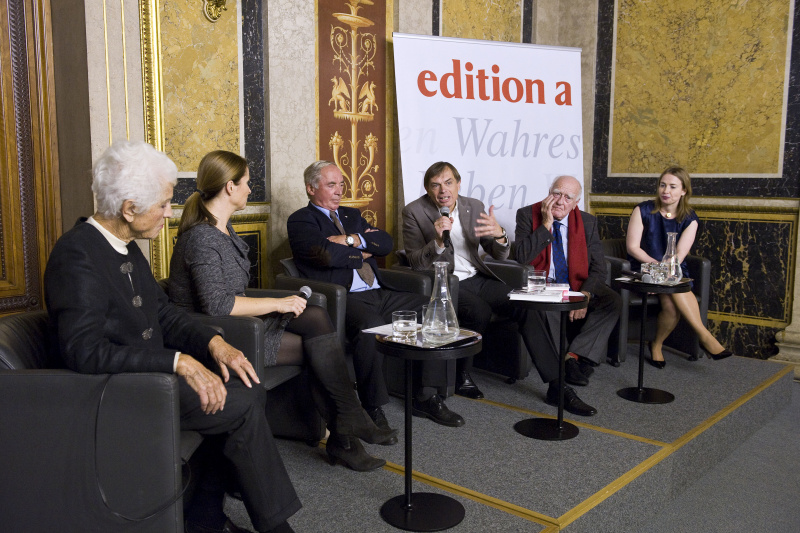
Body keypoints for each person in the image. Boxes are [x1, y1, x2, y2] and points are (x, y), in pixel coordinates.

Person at [44, 141, 296, 533]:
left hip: (148, 380)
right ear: (130, 209)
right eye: (163, 204)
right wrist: (178, 361)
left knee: (245, 383)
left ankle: (205, 518)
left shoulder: (125, 245)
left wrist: (214, 344)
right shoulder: (76, 254)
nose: (169, 212)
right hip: (117, 392)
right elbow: (84, 352)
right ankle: (271, 526)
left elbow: (163, 313)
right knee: (242, 403)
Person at [168, 150, 397, 472]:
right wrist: (279, 303)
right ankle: (347, 430)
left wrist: (284, 303)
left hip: (234, 321)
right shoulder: (202, 238)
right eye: (247, 183)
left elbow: (232, 295)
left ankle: (348, 424)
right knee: (316, 347)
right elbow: (218, 304)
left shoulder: (223, 229)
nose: (251, 189)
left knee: (315, 315)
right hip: (215, 334)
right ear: (230, 187)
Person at [402, 162, 596, 417]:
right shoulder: (413, 212)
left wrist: (500, 235)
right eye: (435, 185)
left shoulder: (473, 206)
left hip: (477, 277)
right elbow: (415, 262)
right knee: (479, 310)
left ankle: (557, 386)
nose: (443, 190)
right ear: (428, 189)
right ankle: (462, 374)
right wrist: (438, 242)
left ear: (458, 184)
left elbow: (499, 254)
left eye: (448, 183)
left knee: (528, 304)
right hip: (445, 283)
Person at [287, 161, 464, 428]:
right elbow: (325, 255)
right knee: (371, 327)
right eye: (331, 185)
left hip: (378, 291)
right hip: (343, 298)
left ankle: (426, 397)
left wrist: (351, 240)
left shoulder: (351, 215)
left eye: (341, 184)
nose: (339, 191)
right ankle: (372, 407)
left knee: (433, 310)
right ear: (311, 188)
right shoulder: (301, 220)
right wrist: (363, 251)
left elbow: (386, 243)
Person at [515, 175, 621, 407]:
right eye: (556, 194)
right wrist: (545, 225)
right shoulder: (527, 215)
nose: (560, 201)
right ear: (549, 193)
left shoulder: (587, 222)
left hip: (576, 284)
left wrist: (585, 295)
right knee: (548, 306)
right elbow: (522, 257)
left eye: (568, 197)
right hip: (544, 284)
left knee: (612, 300)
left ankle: (575, 355)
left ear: (576, 203)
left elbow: (598, 267)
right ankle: (565, 363)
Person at [625, 166, 732, 367]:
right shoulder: (643, 210)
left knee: (672, 306)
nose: (666, 191)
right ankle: (705, 336)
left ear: (684, 191)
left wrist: (665, 271)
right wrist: (657, 269)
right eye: (662, 185)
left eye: (673, 186)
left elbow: (679, 255)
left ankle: (656, 344)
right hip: (643, 267)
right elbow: (632, 247)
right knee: (673, 294)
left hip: (673, 269)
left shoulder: (690, 219)